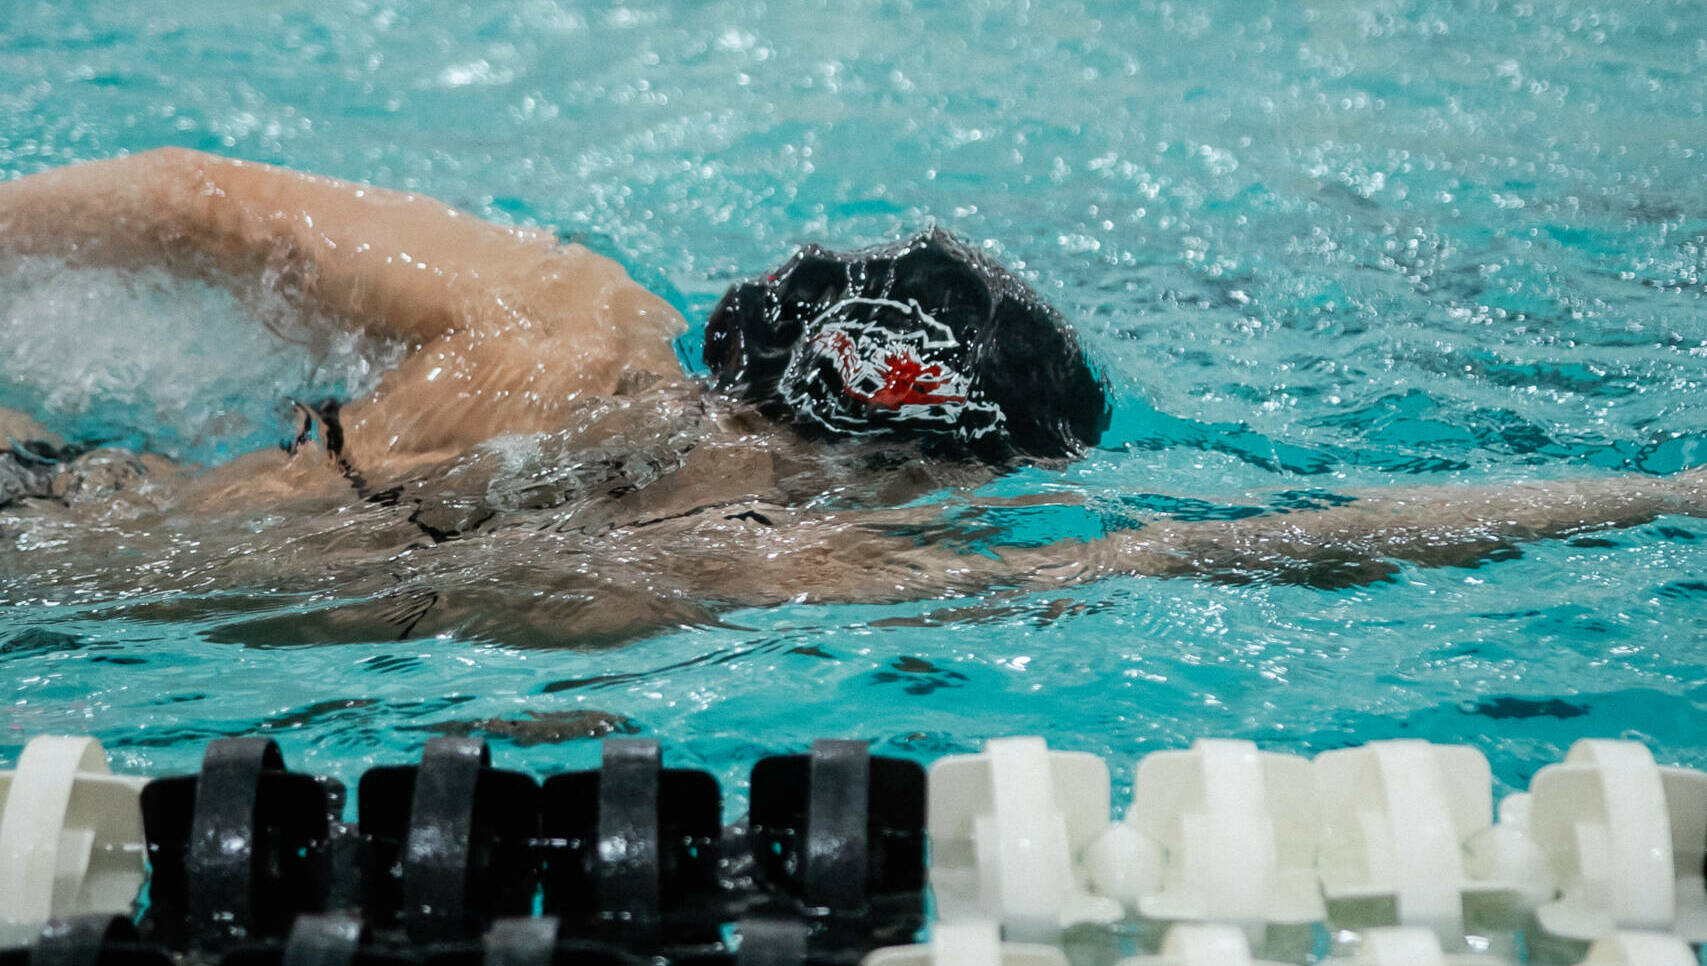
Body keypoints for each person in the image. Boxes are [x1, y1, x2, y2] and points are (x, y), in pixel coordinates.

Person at [0, 148, 1702, 643]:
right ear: (924, 468)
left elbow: (201, 203)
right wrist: (1665, 501)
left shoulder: (559, 318)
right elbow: (1300, 546)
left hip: (57, 510)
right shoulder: (792, 567)